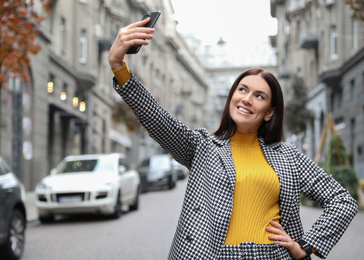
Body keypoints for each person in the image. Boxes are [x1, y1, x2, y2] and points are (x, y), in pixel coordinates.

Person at [108, 18, 358, 260]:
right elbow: (157, 118)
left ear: (270, 112)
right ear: (232, 97)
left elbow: (342, 200)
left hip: (271, 255)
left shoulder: (287, 156)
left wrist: (305, 245)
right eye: (242, 89)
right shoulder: (202, 147)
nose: (247, 99)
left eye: (259, 96)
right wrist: (119, 65)